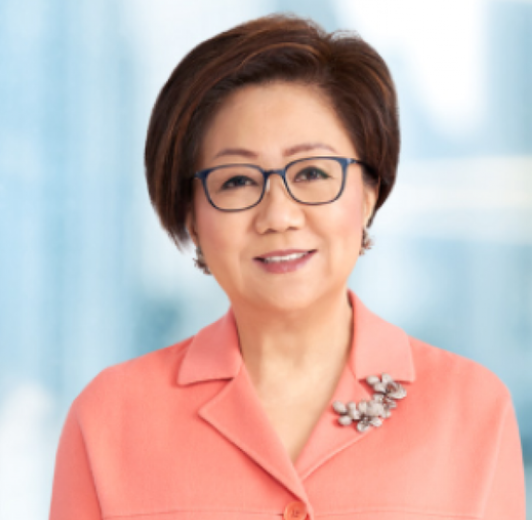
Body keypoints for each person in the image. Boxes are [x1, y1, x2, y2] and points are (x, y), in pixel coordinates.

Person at [49, 14, 526, 520]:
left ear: (368, 194)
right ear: (190, 214)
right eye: (237, 181)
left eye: (313, 172)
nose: (278, 216)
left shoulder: (471, 408)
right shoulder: (110, 417)